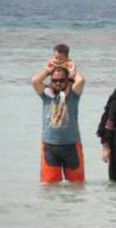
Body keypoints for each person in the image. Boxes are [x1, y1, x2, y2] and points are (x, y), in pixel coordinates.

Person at [31, 44, 85, 184]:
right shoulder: (46, 95)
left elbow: (81, 81)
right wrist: (47, 70)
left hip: (71, 145)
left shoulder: (73, 94)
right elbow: (35, 81)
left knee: (77, 187)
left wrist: (71, 67)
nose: (58, 83)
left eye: (62, 80)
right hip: (49, 146)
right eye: (54, 81)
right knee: (49, 188)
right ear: (51, 81)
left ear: (67, 80)